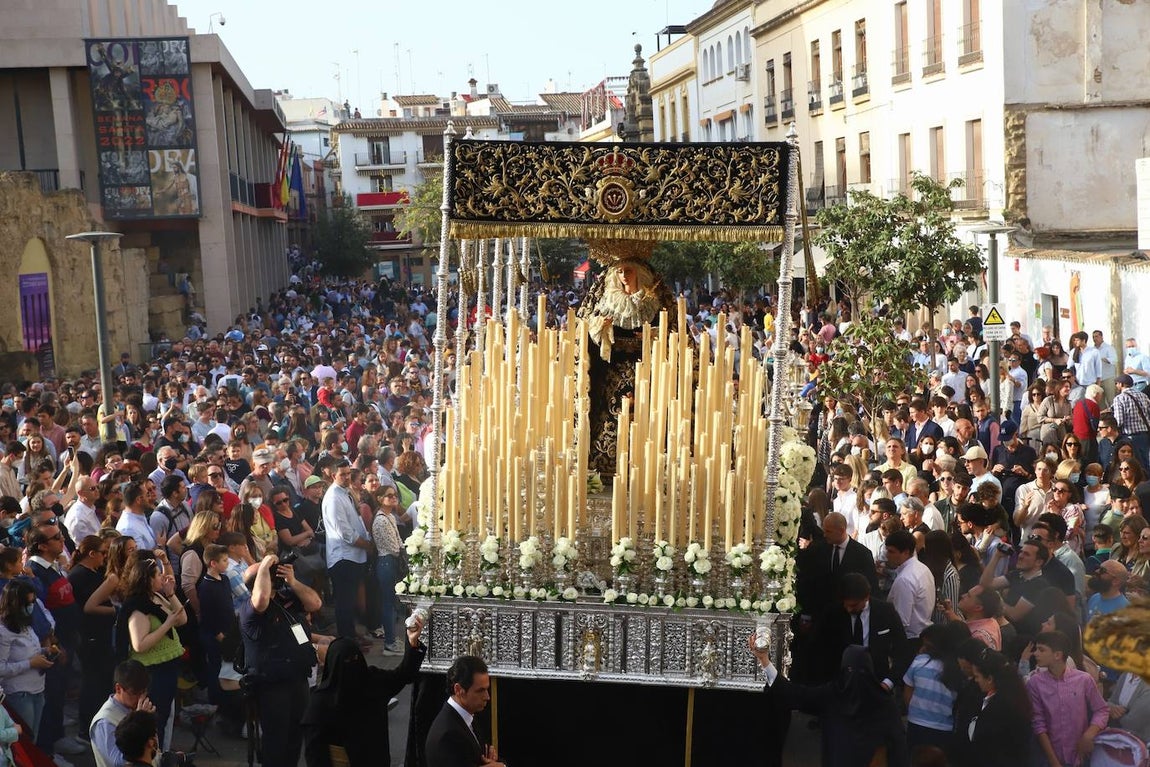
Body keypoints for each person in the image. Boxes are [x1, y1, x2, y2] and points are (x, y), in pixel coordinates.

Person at [750, 639, 910, 767]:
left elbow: (795, 694)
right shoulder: (884, 701)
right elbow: (899, 746)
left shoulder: (832, 694)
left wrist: (765, 661)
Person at [301, 614, 427, 766]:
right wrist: (412, 642)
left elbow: (314, 754)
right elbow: (404, 674)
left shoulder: (320, 702)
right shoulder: (373, 682)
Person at [239, 553, 322, 767]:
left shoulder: (287, 599)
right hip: (272, 684)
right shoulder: (250, 609)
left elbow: (315, 603)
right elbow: (261, 600)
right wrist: (265, 562)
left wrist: (292, 581)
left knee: (295, 738)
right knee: (276, 740)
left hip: (297, 679)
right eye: (266, 572)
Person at [115, 554, 186, 747]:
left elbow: (182, 619)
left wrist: (171, 594)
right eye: (158, 575)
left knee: (166, 715)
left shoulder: (156, 597)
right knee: (157, 719)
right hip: (153, 671)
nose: (162, 578)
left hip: (168, 666)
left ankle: (163, 752)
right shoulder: (138, 608)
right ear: (147, 579)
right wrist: (166, 625)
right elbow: (139, 644)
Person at [1027, 630, 1109, 767]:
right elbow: (1038, 724)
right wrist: (1053, 761)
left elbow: (1101, 709)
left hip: (1080, 755)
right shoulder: (1035, 683)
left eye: (1041, 650)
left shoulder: (1083, 680)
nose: (1035, 653)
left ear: (1057, 655)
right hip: (1049, 757)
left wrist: (1089, 734)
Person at [955, 648, 1032, 767]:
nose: (975, 680)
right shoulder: (1006, 696)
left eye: (977, 676)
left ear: (990, 678)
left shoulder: (1003, 707)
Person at [425, 655, 506, 767]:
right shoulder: (448, 735)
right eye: (480, 691)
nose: (487, 697)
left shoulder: (467, 716)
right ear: (459, 690)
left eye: (486, 689)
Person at [321, 463, 372, 641]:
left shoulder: (346, 493)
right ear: (333, 475)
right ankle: (346, 641)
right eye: (342, 474)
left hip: (354, 556)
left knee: (350, 602)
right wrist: (367, 545)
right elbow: (345, 533)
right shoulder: (334, 498)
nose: (347, 477)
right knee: (344, 603)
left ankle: (352, 635)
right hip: (343, 557)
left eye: (349, 474)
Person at [0, 580, 53, 741]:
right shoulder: (4, 632)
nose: (31, 607)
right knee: (25, 742)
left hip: (38, 690)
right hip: (19, 694)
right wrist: (30, 663)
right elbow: (1, 668)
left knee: (33, 739)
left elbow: (29, 652)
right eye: (27, 603)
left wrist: (46, 651)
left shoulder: (26, 625)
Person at [89, 660, 155, 767]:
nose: (140, 698)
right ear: (118, 688)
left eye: (143, 692)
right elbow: (119, 762)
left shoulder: (137, 708)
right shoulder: (104, 721)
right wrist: (138, 723)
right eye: (135, 693)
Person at [884, 530, 935, 645]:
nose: (887, 555)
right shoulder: (923, 569)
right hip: (920, 636)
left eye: (891, 551)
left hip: (909, 641)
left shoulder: (905, 579)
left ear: (906, 552)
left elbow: (901, 621)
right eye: (887, 550)